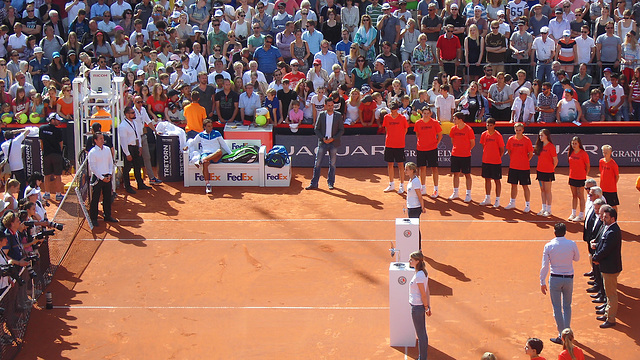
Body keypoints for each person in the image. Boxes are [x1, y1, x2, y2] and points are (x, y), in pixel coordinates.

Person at [540, 222, 580, 345]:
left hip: (555, 279)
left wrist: (542, 281)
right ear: (565, 232)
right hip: (568, 278)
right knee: (567, 306)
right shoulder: (572, 244)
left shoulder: (549, 246)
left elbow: (545, 265)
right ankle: (567, 334)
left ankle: (561, 335)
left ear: (554, 232)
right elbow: (577, 258)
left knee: (557, 307)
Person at [592, 205, 622, 328]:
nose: (603, 218)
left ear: (613, 219)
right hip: (608, 266)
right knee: (608, 292)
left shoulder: (612, 232)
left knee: (611, 294)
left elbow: (606, 249)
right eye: (603, 216)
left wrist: (596, 258)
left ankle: (611, 318)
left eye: (606, 217)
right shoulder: (610, 229)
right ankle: (607, 313)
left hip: (610, 268)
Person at [305, 96, 344, 190]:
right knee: (317, 163)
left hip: (333, 143)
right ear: (325, 106)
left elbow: (341, 130)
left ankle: (331, 183)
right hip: (322, 142)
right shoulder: (321, 115)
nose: (330, 107)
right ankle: (314, 183)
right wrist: (323, 138)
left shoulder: (338, 115)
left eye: (332, 105)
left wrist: (333, 138)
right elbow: (316, 129)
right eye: (329, 105)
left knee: (332, 164)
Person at [188, 119, 232, 195]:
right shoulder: (200, 135)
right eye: (208, 126)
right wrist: (186, 147)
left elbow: (223, 144)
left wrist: (230, 153)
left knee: (219, 151)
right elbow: (193, 142)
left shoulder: (217, 133)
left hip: (215, 156)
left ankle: (202, 160)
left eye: (211, 126)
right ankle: (208, 185)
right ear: (204, 127)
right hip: (206, 154)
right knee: (205, 164)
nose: (211, 127)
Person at [87, 132, 117, 227]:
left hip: (107, 177)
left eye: (103, 138)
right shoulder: (92, 152)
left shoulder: (107, 149)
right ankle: (94, 218)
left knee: (107, 197)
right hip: (97, 178)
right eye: (100, 138)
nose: (102, 140)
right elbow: (93, 167)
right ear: (95, 140)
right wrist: (102, 178)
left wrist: (109, 174)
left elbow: (110, 162)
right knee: (95, 199)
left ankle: (107, 215)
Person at [118, 106, 150, 194]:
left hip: (135, 147)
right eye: (132, 113)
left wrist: (139, 146)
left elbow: (138, 135)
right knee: (127, 168)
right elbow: (123, 141)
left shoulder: (135, 123)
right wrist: (127, 153)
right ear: (127, 114)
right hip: (129, 147)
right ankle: (127, 186)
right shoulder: (123, 126)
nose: (134, 114)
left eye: (134, 112)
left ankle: (140, 184)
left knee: (137, 166)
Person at [505, 122, 533, 212]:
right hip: (513, 166)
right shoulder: (510, 139)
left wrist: (524, 160)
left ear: (523, 130)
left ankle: (527, 205)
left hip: (524, 167)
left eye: (520, 130)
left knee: (525, 186)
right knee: (513, 185)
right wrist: (514, 159)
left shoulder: (527, 140)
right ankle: (512, 203)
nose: (518, 132)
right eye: (516, 130)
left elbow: (530, 154)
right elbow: (509, 151)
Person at [414, 106, 442, 198]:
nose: (426, 115)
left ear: (430, 114)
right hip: (421, 149)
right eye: (424, 113)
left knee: (434, 168)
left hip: (432, 149)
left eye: (427, 113)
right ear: (422, 113)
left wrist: (435, 143)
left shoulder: (435, 123)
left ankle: (436, 189)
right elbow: (418, 135)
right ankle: (423, 188)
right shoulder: (418, 123)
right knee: (422, 168)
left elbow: (440, 135)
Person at [408, 250, 431, 360]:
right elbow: (427, 291)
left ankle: (422, 358)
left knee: (421, 334)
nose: (409, 261)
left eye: (411, 260)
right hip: (420, 307)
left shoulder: (419, 276)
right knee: (422, 333)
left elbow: (424, 293)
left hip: (417, 307)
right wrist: (427, 307)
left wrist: (426, 308)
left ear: (417, 261)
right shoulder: (421, 273)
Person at [382, 102, 409, 194]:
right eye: (391, 110)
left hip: (399, 145)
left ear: (397, 109)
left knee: (401, 165)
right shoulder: (386, 117)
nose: (393, 112)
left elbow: (405, 129)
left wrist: (399, 137)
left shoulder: (402, 118)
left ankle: (401, 185)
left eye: (394, 110)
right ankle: (391, 184)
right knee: (390, 164)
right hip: (389, 144)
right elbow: (386, 129)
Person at [448, 112, 475, 202]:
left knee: (467, 174)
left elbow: (472, 143)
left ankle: (468, 194)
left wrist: (466, 150)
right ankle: (455, 193)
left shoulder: (468, 129)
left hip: (465, 155)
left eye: (455, 119)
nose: (453, 120)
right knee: (455, 174)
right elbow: (453, 141)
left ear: (460, 120)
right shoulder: (453, 129)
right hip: (455, 154)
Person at [38, 114, 64, 202]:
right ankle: (58, 194)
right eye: (57, 120)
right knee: (58, 175)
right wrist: (59, 153)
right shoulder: (58, 130)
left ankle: (47, 193)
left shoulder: (42, 129)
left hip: (46, 155)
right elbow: (61, 144)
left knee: (47, 175)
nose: (59, 122)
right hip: (56, 155)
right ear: (52, 120)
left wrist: (43, 151)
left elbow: (41, 142)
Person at [479, 118, 504, 208]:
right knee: (487, 179)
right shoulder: (483, 134)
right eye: (487, 125)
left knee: (497, 180)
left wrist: (496, 157)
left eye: (490, 125)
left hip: (496, 162)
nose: (488, 127)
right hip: (486, 161)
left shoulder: (498, 135)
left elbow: (502, 149)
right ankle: (488, 198)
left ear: (494, 125)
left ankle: (497, 200)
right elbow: (483, 146)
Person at [534, 129, 558, 216]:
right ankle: (543, 208)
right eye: (539, 135)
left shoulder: (551, 147)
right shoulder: (539, 146)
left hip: (548, 172)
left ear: (546, 136)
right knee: (542, 190)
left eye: (542, 135)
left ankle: (549, 209)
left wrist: (551, 168)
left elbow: (555, 160)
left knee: (548, 190)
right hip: (540, 171)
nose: (540, 137)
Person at [1, 129, 29, 199]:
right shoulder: (17, 140)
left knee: (9, 184)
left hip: (10, 168)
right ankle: (20, 199)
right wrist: (16, 131)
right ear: (13, 136)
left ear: (5, 138)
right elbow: (27, 130)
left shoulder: (3, 145)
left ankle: (8, 198)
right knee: (22, 185)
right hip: (19, 167)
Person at [567, 136, 590, 222]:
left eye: (575, 143)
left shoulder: (583, 154)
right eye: (573, 143)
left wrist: (584, 175)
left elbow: (588, 166)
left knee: (580, 195)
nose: (574, 145)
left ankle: (581, 215)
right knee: (574, 195)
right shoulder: (570, 152)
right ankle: (573, 213)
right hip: (572, 176)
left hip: (581, 177)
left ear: (579, 144)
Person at [599, 145, 619, 209]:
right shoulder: (601, 161)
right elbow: (601, 172)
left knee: (613, 205)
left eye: (606, 153)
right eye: (603, 152)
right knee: (603, 205)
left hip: (611, 189)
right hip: (602, 188)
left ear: (610, 153)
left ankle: (614, 218)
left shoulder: (613, 164)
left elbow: (617, 176)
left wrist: (612, 184)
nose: (604, 154)